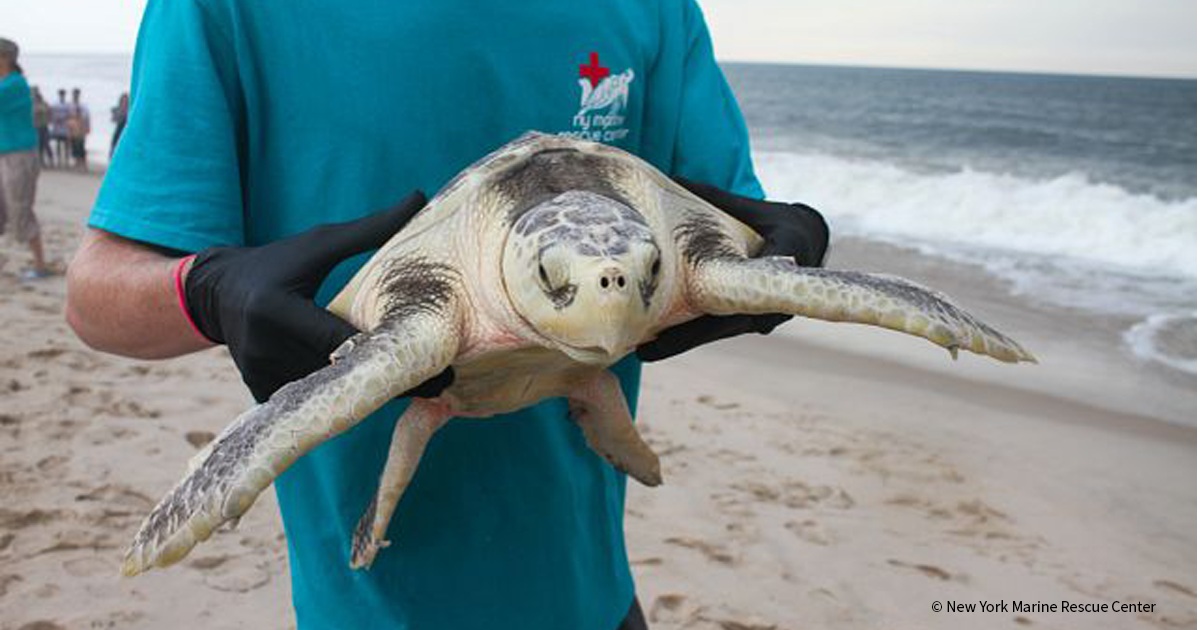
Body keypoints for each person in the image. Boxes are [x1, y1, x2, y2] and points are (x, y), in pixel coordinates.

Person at [65, 2, 828, 629]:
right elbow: (95, 297)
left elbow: (736, 225)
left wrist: (793, 249)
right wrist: (206, 293)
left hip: (597, 599)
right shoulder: (227, 10)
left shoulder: (652, 9)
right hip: (367, 613)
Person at [0, 38, 52, 279]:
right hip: (5, 155)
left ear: (4, 58)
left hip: (19, 157)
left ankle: (40, 266)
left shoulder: (15, 84)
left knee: (20, 211)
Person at [67, 87, 90, 170]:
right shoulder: (70, 105)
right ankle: (77, 162)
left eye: (76, 94)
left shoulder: (83, 106)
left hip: (81, 127)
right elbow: (69, 117)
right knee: (74, 145)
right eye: (74, 94)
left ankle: (83, 162)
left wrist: (87, 128)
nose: (75, 96)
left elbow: (86, 118)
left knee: (81, 145)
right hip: (73, 127)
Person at [31, 86, 51, 167]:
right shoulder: (31, 104)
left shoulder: (44, 104)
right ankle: (40, 161)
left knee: (45, 144)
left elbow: (49, 112)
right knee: (38, 145)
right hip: (36, 127)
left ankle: (47, 161)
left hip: (43, 127)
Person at [49, 88, 69, 168]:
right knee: (58, 145)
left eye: (63, 94)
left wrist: (64, 119)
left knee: (66, 145)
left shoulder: (67, 105)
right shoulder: (55, 104)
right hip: (57, 128)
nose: (62, 96)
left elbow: (70, 115)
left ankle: (66, 161)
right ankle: (59, 160)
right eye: (61, 94)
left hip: (66, 127)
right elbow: (52, 115)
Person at [110, 92, 128, 158]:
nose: (124, 102)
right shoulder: (117, 109)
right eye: (123, 101)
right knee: (113, 152)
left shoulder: (130, 110)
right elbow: (113, 120)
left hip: (126, 135)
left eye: (126, 101)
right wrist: (120, 112)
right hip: (118, 133)